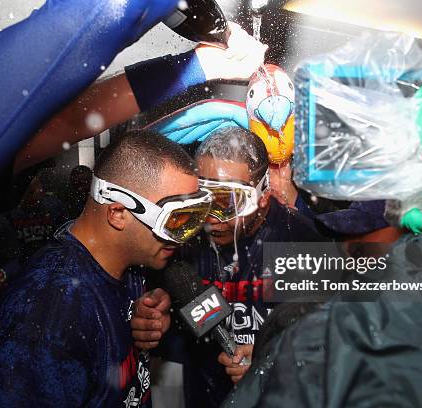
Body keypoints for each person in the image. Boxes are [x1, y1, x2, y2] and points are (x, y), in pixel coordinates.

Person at [0, 3, 267, 387]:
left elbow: (71, 121)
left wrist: (136, 322)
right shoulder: (50, 308)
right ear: (119, 211)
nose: (207, 220)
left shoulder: (293, 236)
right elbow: (76, 36)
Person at [0, 130, 214, 406]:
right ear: (118, 213)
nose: (187, 235)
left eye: (194, 218)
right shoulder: (50, 314)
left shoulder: (129, 267)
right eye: (176, 221)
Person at [134, 127, 327, 407]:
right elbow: (165, 318)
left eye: (229, 202)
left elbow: (327, 340)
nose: (214, 219)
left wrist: (274, 363)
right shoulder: (184, 240)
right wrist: (154, 320)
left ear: (263, 194)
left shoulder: (302, 241)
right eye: (206, 199)